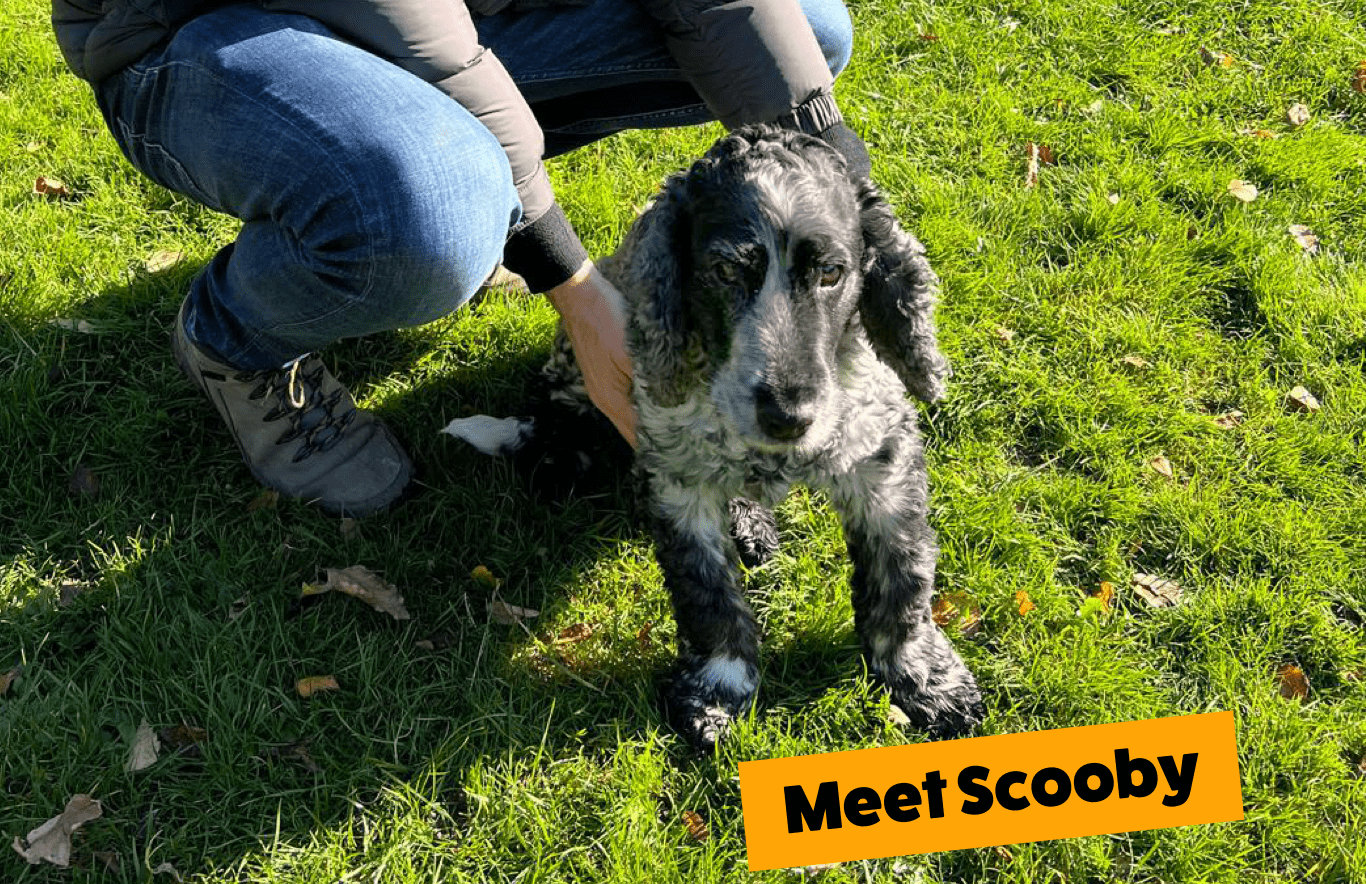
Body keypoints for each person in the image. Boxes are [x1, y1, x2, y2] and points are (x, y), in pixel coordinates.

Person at [51, 0, 870, 516]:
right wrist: (576, 289)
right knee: (427, 212)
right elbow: (425, 40)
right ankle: (233, 338)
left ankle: (441, 197)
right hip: (192, 27)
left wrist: (850, 206)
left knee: (811, 24)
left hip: (442, 17)